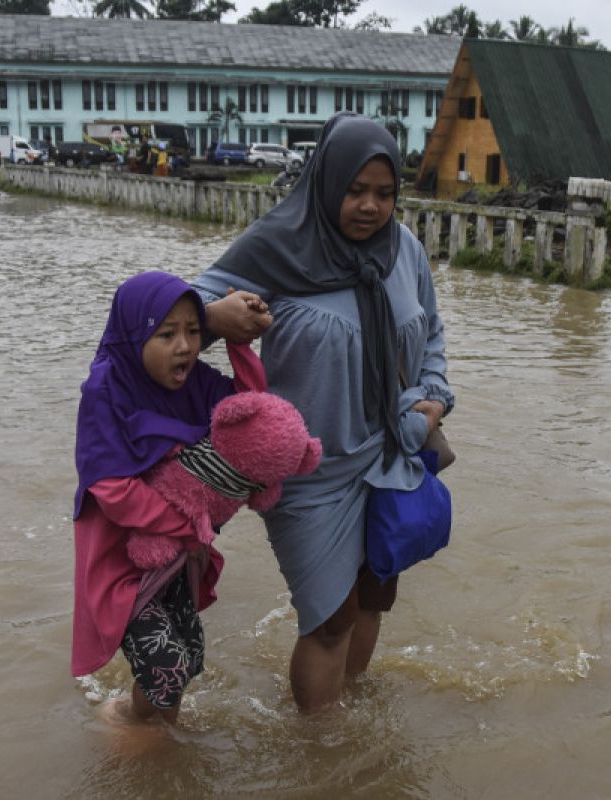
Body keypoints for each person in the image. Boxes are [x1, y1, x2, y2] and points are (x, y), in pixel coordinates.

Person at [193, 112, 454, 713]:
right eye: (355, 191)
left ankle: (347, 727)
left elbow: (432, 332)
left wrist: (434, 397)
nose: (370, 207)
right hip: (307, 473)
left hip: (391, 454)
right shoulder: (280, 246)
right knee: (329, 618)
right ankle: (315, 750)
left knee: (371, 599)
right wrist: (215, 319)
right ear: (325, 182)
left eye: (385, 194)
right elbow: (183, 311)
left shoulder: (403, 249)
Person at [71, 271, 271, 726]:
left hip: (179, 555)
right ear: (134, 334)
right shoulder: (105, 389)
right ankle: (130, 727)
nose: (184, 346)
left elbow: (254, 414)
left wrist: (237, 341)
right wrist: (188, 524)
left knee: (186, 655)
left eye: (194, 332)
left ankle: (151, 726)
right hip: (122, 558)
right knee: (165, 668)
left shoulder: (195, 381)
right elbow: (112, 490)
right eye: (166, 334)